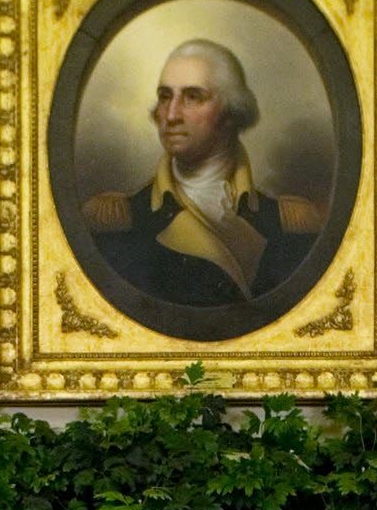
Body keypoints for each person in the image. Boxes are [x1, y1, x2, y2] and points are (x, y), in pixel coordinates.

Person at [81, 38, 323, 309]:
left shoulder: (290, 224)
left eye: (193, 97)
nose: (171, 115)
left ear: (230, 112)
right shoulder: (116, 222)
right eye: (165, 97)